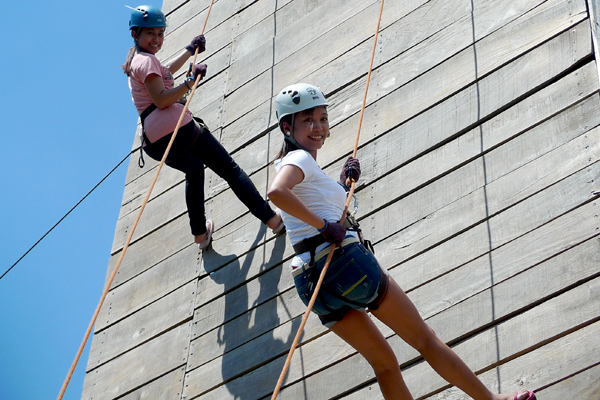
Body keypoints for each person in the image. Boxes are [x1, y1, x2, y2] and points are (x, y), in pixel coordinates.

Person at [267, 83, 536, 400]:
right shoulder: (298, 159)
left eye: (323, 118)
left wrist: (342, 184)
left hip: (312, 283)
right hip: (345, 265)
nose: (319, 127)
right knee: (425, 339)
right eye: (308, 120)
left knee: (385, 365)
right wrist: (326, 226)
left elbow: (310, 203)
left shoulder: (301, 164)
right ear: (287, 127)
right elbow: (277, 193)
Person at [122, 5, 283, 249]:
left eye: (160, 34)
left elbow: (164, 73)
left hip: (155, 141)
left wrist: (189, 51)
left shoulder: (139, 61)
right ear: (136, 34)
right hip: (178, 126)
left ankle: (199, 234)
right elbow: (163, 99)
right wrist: (189, 82)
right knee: (229, 169)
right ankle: (272, 220)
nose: (156, 39)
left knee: (195, 170)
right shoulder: (146, 62)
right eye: (150, 34)